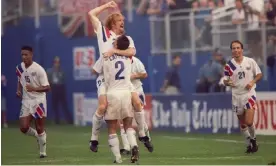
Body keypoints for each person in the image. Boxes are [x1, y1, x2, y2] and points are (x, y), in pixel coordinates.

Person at [88, 0, 152, 152]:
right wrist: (106, 6)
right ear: (112, 24)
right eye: (119, 21)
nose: (123, 23)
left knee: (137, 103)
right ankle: (94, 139)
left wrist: (114, 51)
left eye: (123, 20)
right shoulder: (103, 33)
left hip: (121, 80)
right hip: (105, 78)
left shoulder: (126, 39)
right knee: (103, 107)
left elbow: (132, 52)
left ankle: (143, 134)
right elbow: (91, 14)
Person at [223, 40, 262, 153]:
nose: (236, 50)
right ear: (231, 51)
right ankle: (249, 144)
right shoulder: (229, 65)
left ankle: (253, 140)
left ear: (242, 49)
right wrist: (227, 83)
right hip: (236, 96)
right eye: (234, 48)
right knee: (243, 123)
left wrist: (252, 82)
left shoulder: (250, 62)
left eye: (238, 48)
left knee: (249, 121)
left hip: (249, 94)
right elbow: (225, 80)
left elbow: (259, 74)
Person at [16, 46, 50, 158]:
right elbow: (20, 79)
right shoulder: (19, 68)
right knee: (23, 127)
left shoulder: (39, 69)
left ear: (31, 55)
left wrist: (34, 89)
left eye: (26, 54)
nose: (24, 57)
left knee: (40, 127)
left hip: (38, 101)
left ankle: (42, 152)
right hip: (26, 101)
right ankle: (37, 137)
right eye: (22, 55)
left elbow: (47, 88)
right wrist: (19, 90)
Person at [120, 56, 150, 155]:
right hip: (124, 92)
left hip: (137, 90)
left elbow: (145, 74)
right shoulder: (117, 62)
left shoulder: (136, 61)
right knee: (123, 120)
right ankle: (127, 147)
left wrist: (134, 76)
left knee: (139, 115)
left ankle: (146, 138)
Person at [47, 56, 72, 124]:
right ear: (53, 63)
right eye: (55, 62)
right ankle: (56, 120)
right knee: (55, 105)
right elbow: (48, 80)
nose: (57, 64)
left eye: (58, 62)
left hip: (61, 88)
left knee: (64, 104)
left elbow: (63, 80)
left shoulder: (62, 71)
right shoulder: (49, 71)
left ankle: (69, 120)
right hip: (54, 88)